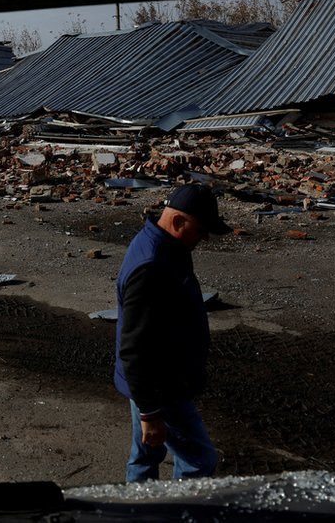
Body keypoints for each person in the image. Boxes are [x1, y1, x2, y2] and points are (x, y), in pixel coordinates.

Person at [113, 183, 231, 482]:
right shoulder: (153, 265)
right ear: (178, 221)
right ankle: (178, 514)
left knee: (146, 454)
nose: (204, 237)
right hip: (161, 386)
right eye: (201, 229)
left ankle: (139, 514)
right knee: (199, 460)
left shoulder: (163, 244)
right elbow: (134, 346)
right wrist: (151, 413)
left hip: (152, 383)